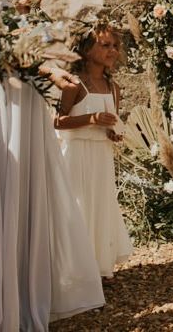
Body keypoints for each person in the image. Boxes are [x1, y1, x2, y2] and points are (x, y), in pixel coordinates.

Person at [0, 0, 105, 330]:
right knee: (6, 191)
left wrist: (16, 10)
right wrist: (49, 71)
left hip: (18, 93)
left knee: (18, 194)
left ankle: (17, 289)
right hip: (4, 98)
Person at [55, 17, 132, 279]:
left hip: (101, 157)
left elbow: (113, 124)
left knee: (100, 208)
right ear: (87, 49)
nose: (113, 51)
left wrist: (113, 132)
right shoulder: (74, 85)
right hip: (75, 156)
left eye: (115, 46)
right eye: (105, 45)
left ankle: (99, 267)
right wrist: (91, 119)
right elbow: (56, 122)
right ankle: (73, 270)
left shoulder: (114, 88)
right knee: (77, 208)